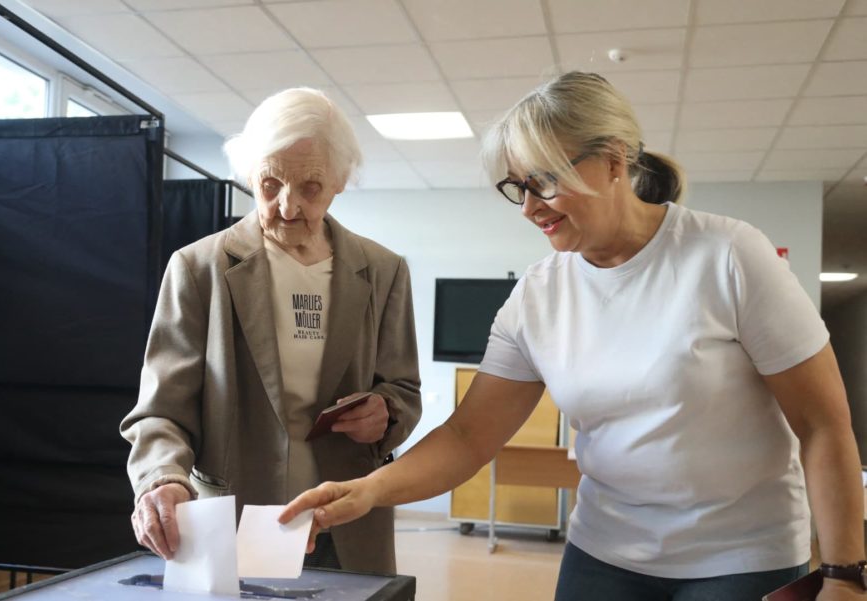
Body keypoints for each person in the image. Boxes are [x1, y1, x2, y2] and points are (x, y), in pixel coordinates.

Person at [280, 72, 866, 600]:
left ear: (614, 162)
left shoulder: (729, 256)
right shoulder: (539, 295)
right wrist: (369, 489)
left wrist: (844, 576)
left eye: (544, 182)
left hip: (740, 557)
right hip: (606, 553)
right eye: (517, 187)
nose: (529, 207)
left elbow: (822, 424)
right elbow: (467, 436)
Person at [121, 87, 422, 575]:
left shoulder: (383, 271)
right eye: (269, 184)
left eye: (310, 187)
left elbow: (404, 390)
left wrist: (386, 414)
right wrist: (162, 478)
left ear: (340, 182)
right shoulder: (199, 269)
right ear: (248, 175)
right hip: (234, 518)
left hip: (346, 517)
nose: (287, 206)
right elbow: (161, 410)